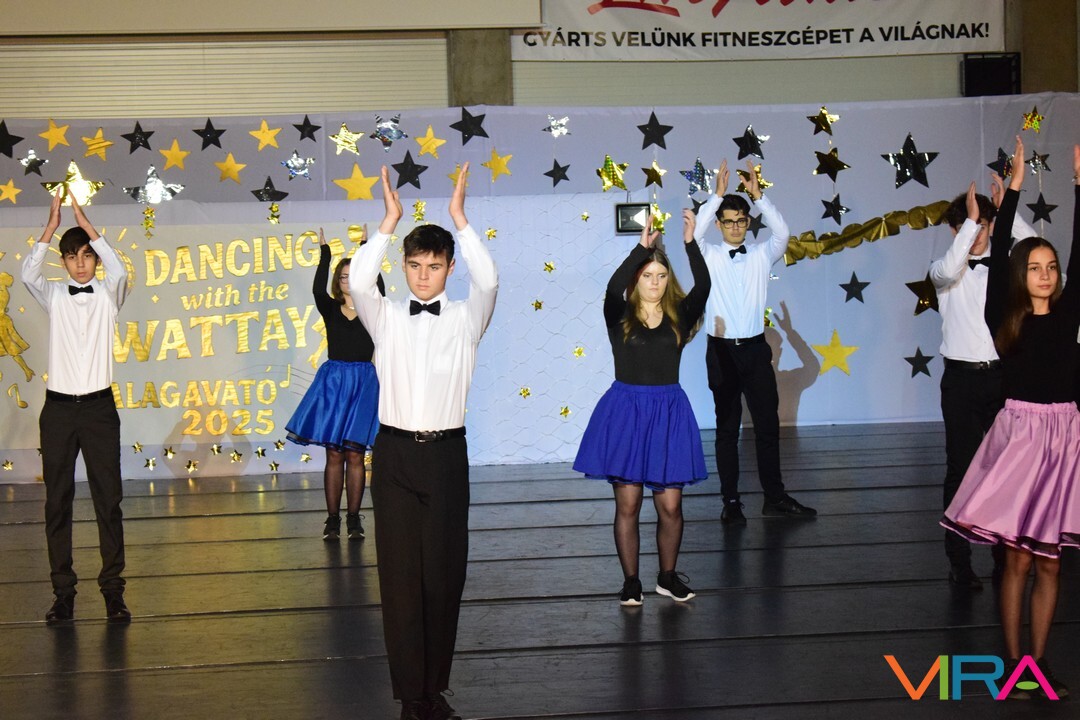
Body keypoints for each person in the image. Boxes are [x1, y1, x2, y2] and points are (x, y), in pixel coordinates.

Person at [350, 163, 497, 720]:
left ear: (449, 268)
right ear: (404, 266)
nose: (423, 276)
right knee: (399, 582)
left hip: (445, 457)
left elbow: (489, 282)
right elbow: (359, 283)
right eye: (414, 266)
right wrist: (388, 222)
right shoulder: (385, 316)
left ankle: (433, 689)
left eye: (434, 267)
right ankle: (412, 697)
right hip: (392, 456)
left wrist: (460, 219)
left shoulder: (466, 318)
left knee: (443, 579)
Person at [942, 137, 1080, 699]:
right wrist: (1015, 188)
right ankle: (1016, 662)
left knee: (1051, 564)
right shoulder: (1005, 314)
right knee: (1019, 561)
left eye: (1052, 267)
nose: (1045, 274)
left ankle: (1040, 662)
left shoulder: (1069, 313)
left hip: (1065, 439)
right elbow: (999, 252)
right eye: (1036, 267)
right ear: (1022, 274)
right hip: (1022, 437)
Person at [573, 209, 710, 606]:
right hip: (627, 413)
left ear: (668, 280)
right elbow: (613, 288)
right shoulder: (619, 315)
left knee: (671, 507)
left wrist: (690, 243)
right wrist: (640, 250)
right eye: (647, 275)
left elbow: (704, 285)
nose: (654, 282)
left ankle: (667, 577)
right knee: (628, 504)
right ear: (637, 279)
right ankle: (631, 581)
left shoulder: (680, 316)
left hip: (668, 413)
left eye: (661, 276)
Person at [21, 193, 132, 624]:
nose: (80, 264)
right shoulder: (54, 295)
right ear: (63, 262)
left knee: (109, 501)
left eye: (86, 256)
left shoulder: (109, 295)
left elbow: (120, 270)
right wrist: (50, 228)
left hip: (99, 410)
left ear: (95, 260)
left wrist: (87, 225)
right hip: (59, 412)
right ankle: (63, 593)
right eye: (71, 257)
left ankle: (113, 592)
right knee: (58, 502)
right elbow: (28, 273)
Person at [692, 160, 816, 524]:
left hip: (755, 349)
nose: (735, 226)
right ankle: (731, 502)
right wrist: (716, 196)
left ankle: (774, 497)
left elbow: (783, 231)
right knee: (727, 430)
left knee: (767, 426)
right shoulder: (708, 253)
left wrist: (759, 197)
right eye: (728, 221)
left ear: (748, 223)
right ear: (719, 224)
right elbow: (694, 233)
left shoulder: (763, 253)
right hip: (721, 352)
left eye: (741, 220)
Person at [931, 175, 1036, 590]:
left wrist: (1008, 208)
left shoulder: (1006, 266)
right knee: (960, 471)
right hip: (960, 382)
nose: (976, 235)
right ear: (955, 231)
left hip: (1002, 381)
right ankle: (958, 560)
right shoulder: (944, 270)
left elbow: (1034, 250)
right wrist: (972, 223)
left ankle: (1001, 558)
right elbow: (948, 267)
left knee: (1004, 473)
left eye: (983, 227)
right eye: (966, 228)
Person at [286, 229, 381, 541]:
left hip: (363, 384)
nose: (347, 280)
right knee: (334, 455)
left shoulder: (372, 307)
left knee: (355, 456)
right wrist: (325, 252)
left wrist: (366, 248)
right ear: (337, 282)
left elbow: (378, 284)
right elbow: (317, 288)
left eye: (353, 275)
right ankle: (332, 520)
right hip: (334, 384)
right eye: (343, 276)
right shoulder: (329, 308)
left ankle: (353, 520)